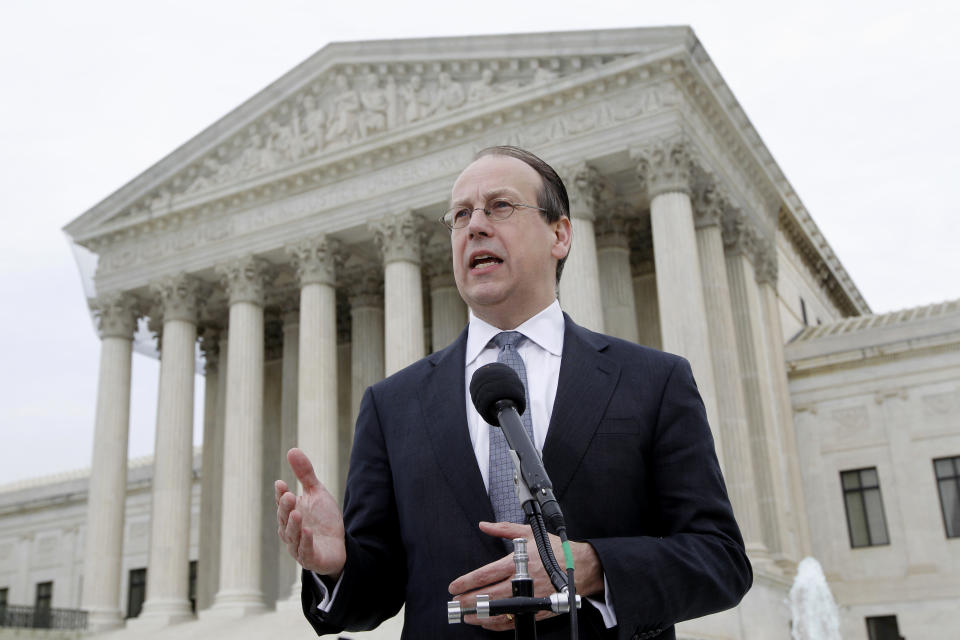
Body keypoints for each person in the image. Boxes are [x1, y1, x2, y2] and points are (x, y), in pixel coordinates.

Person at [275, 146, 752, 639]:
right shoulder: (392, 404)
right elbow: (374, 597)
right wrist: (336, 565)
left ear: (560, 234)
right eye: (461, 214)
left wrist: (590, 566)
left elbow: (721, 561)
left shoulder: (652, 381)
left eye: (500, 206)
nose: (475, 225)